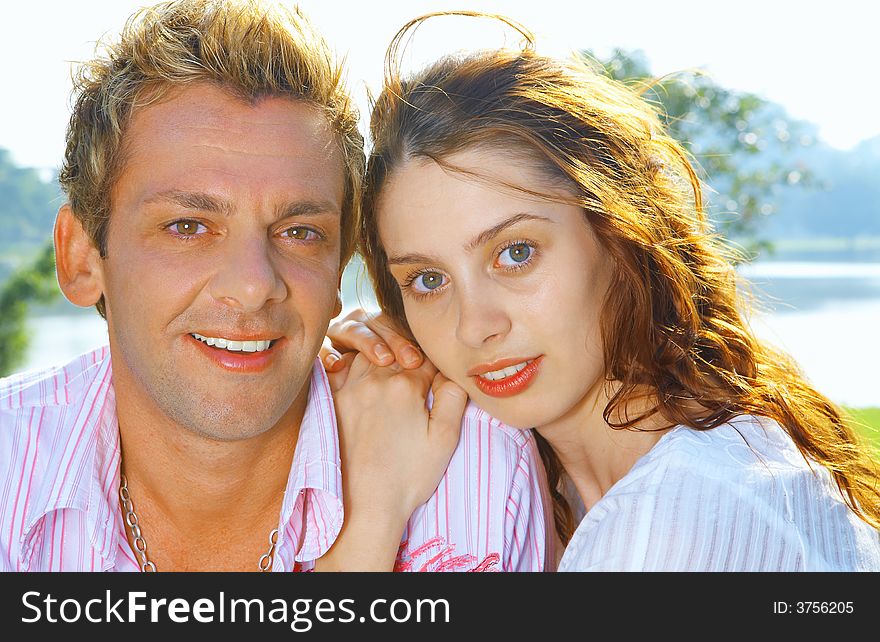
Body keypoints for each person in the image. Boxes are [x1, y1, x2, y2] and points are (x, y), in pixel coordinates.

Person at [0, 0, 551, 572]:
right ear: (81, 257)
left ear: (340, 271)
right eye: (188, 227)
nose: (253, 285)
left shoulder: (473, 479)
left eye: (299, 232)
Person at [323, 12, 880, 571]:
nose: (474, 325)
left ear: (618, 235)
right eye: (428, 280)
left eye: (516, 253)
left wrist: (373, 515)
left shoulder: (668, 523)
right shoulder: (549, 488)